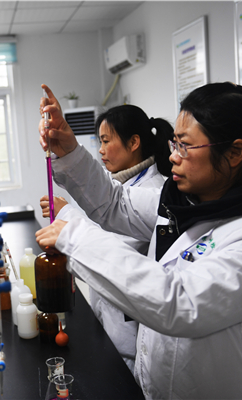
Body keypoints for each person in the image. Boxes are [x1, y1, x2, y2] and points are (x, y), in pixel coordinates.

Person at [35, 82, 242, 399]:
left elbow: (179, 303)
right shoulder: (186, 201)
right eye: (174, 143)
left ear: (235, 153)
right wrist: (68, 150)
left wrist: (75, 236)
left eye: (185, 146)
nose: (173, 156)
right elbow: (114, 203)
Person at [39, 99, 173, 373]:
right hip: (109, 318)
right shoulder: (122, 181)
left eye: (106, 141)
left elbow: (116, 248)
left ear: (134, 142)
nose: (100, 150)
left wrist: (68, 221)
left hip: (131, 335)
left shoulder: (155, 191)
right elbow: (107, 203)